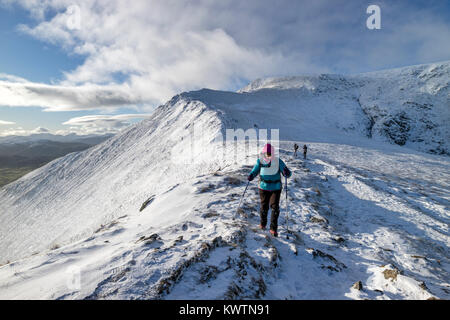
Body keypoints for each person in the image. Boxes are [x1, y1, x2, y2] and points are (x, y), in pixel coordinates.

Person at [247, 143, 292, 237]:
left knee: (275, 207)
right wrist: (251, 175)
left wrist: (286, 172)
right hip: (263, 187)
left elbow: (287, 172)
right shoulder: (260, 161)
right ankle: (263, 224)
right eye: (267, 153)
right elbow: (255, 170)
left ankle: (273, 228)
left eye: (270, 153)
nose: (268, 155)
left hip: (275, 187)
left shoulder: (278, 161)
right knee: (264, 206)